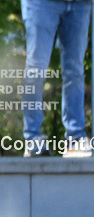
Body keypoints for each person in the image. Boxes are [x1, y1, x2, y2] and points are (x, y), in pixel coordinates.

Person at [21, 0, 92, 157]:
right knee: (36, 70)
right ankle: (32, 137)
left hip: (80, 4)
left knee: (75, 72)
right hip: (41, 3)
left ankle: (75, 138)